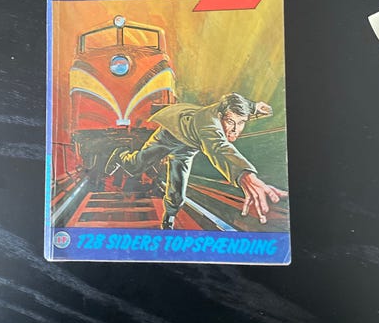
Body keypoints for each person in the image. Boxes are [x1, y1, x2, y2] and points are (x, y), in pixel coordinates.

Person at [105, 93, 287, 229]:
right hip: (170, 135)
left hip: (187, 146)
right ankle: (120, 154)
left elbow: (241, 105)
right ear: (220, 116)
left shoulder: (230, 108)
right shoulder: (208, 126)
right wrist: (245, 174)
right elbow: (219, 148)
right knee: (135, 166)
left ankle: (169, 218)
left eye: (241, 123)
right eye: (231, 122)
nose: (235, 130)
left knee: (177, 190)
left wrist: (255, 107)